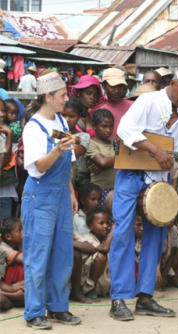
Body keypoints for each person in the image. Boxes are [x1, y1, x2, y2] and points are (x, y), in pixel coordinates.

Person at [108, 65, 178, 321]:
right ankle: (118, 298)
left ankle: (145, 297)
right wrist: (153, 149)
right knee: (123, 232)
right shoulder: (148, 101)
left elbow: (176, 152)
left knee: (156, 235)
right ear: (172, 83)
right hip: (131, 173)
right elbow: (125, 131)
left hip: (160, 178)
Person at [21, 71, 81, 328]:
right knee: (38, 254)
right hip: (40, 195)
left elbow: (67, 165)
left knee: (62, 253)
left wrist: (70, 192)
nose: (66, 100)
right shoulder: (33, 127)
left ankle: (58, 307)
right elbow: (39, 167)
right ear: (47, 96)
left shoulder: (61, 122)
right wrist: (57, 149)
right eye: (62, 95)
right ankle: (35, 311)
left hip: (60, 196)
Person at [76, 207, 112, 299]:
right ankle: (89, 290)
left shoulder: (107, 240)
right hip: (87, 282)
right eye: (101, 223)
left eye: (108, 223)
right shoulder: (87, 239)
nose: (106, 226)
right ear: (90, 226)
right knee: (101, 257)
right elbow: (102, 249)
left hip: (103, 282)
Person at [85, 109, 116, 204]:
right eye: (104, 126)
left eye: (111, 126)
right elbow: (103, 162)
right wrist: (121, 158)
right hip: (100, 191)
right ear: (94, 126)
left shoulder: (114, 142)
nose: (108, 130)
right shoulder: (91, 143)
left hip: (116, 189)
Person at [92, 68, 133, 138]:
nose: (116, 91)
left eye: (120, 86)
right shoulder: (97, 110)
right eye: (112, 87)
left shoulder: (134, 107)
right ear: (103, 86)